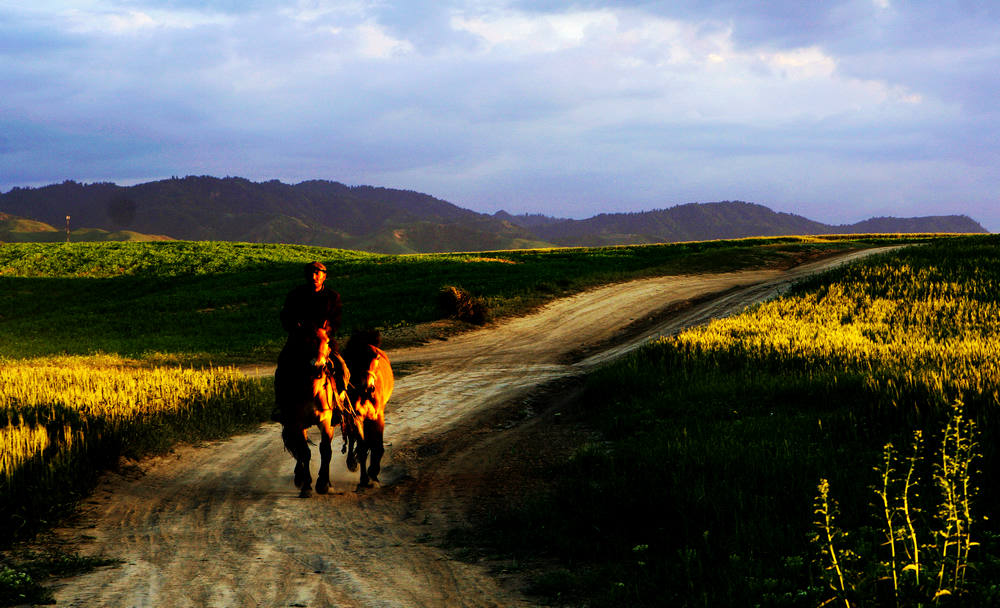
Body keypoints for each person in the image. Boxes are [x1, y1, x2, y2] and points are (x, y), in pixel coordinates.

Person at [271, 261, 343, 422]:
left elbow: (336, 320)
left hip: (323, 341)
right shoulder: (295, 295)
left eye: (318, 274)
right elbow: (285, 316)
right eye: (311, 273)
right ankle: (280, 405)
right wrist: (295, 327)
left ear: (324, 276)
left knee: (341, 367)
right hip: (299, 341)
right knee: (283, 364)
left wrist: (326, 331)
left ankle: (339, 405)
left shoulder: (332, 297)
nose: (314, 276)